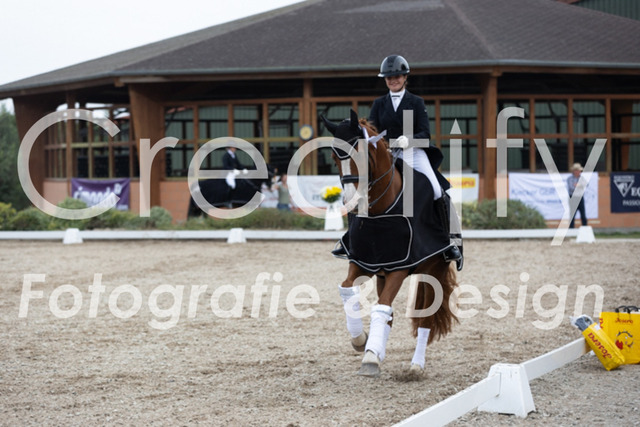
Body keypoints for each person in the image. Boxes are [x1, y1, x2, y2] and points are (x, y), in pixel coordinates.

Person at [368, 54, 462, 267]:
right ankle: (353, 239)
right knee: (366, 188)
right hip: (389, 155)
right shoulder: (379, 103)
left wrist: (408, 140)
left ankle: (449, 241)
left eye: (397, 76)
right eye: (389, 77)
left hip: (413, 153)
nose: (393, 80)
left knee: (437, 190)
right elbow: (373, 131)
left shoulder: (416, 102)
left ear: (405, 77)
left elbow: (425, 135)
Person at [567, 162, 588, 228]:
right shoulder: (570, 178)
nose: (578, 172)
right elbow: (571, 188)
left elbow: (586, 184)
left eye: (579, 171)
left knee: (583, 214)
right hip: (573, 198)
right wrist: (580, 186)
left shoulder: (582, 178)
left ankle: (585, 228)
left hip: (580, 197)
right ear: (574, 171)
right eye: (577, 170)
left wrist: (577, 185)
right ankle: (571, 229)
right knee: (572, 215)